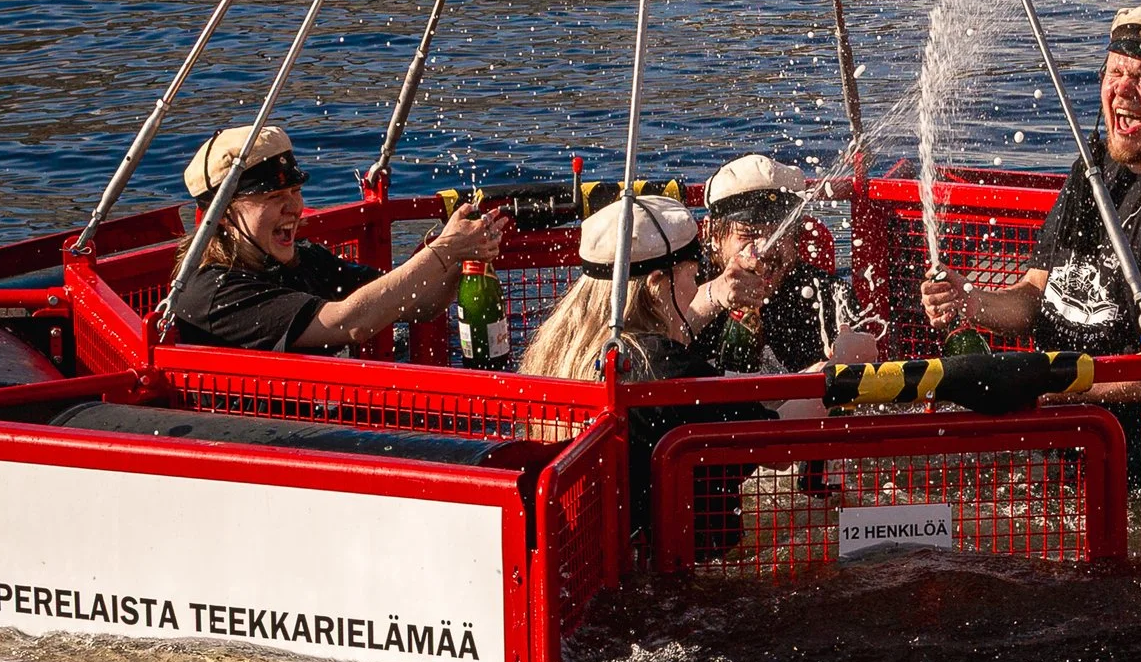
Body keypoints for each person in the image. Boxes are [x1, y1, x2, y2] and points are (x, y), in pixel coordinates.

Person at [919, 0, 1141, 361]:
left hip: (1114, 415)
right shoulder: (1095, 163)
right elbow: (1036, 293)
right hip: (1052, 393)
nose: (1122, 90)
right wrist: (969, 299)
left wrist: (1046, 391)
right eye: (1115, 73)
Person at [520, 195, 767, 551]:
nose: (695, 289)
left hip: (595, 549)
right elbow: (770, 442)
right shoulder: (660, 365)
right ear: (655, 282)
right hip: (677, 570)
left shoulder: (567, 345)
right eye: (693, 277)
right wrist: (834, 374)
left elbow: (672, 326)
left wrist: (717, 292)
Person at [168, 124, 509, 352]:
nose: (293, 208)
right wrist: (444, 250)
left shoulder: (305, 261)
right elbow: (350, 322)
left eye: (296, 191)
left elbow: (420, 304)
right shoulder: (213, 292)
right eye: (273, 198)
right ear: (223, 214)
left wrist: (466, 252)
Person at [686, 154, 876, 374]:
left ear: (796, 235)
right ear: (713, 235)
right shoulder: (685, 286)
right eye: (747, 233)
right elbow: (653, 344)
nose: (764, 248)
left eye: (779, 233)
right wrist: (715, 295)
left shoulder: (830, 296)